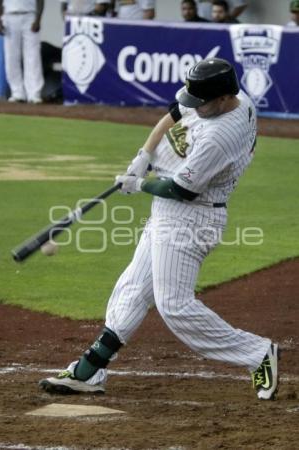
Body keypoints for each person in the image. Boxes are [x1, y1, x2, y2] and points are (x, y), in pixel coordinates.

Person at [39, 57, 280, 401]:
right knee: (133, 288)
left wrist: (139, 185)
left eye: (204, 103)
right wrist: (145, 154)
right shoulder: (222, 97)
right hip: (171, 211)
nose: (196, 106)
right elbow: (176, 112)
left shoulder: (222, 135)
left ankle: (257, 352)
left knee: (175, 306)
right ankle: (90, 370)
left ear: (226, 99)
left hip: (191, 216)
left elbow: (182, 189)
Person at [0, 0, 44, 103]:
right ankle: (17, 92)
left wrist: (38, 19)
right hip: (9, 16)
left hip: (30, 16)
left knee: (33, 56)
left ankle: (34, 93)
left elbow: (40, 0)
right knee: (11, 57)